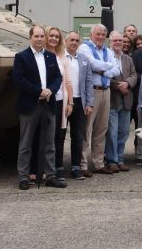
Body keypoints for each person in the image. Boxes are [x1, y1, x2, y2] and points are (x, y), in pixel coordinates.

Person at [13, 25, 64, 190]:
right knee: (26, 143)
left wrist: (51, 90)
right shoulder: (21, 57)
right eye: (37, 36)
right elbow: (19, 80)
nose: (40, 39)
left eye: (42, 36)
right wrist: (39, 92)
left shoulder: (50, 56)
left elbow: (58, 77)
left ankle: (50, 176)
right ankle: (23, 177)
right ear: (30, 37)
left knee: (50, 143)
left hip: (48, 104)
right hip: (30, 105)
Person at [77, 24, 120, 176]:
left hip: (105, 92)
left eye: (103, 34)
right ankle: (82, 165)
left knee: (101, 129)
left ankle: (98, 163)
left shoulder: (108, 51)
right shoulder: (84, 48)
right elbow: (91, 64)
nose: (101, 37)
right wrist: (108, 68)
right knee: (86, 129)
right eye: (98, 34)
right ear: (91, 34)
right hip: (92, 92)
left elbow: (117, 69)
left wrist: (103, 70)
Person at [64, 31, 94, 180]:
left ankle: (76, 167)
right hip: (63, 101)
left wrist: (89, 103)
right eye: (71, 40)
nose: (74, 43)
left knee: (78, 136)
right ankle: (57, 167)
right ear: (65, 42)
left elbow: (89, 82)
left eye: (77, 40)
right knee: (60, 136)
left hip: (79, 101)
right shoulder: (59, 58)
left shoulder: (83, 59)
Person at [106, 31, 137, 173]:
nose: (118, 43)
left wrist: (128, 83)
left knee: (124, 132)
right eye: (115, 40)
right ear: (110, 41)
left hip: (126, 101)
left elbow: (134, 74)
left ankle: (119, 159)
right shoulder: (106, 57)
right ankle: (111, 161)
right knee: (112, 133)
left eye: (120, 40)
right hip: (113, 100)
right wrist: (119, 86)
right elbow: (104, 75)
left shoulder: (127, 59)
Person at [45, 26, 72, 183]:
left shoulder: (63, 57)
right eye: (51, 36)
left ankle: (58, 167)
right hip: (46, 101)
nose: (54, 38)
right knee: (45, 136)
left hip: (61, 101)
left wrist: (70, 103)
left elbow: (68, 81)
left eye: (57, 36)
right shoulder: (42, 56)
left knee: (59, 136)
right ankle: (45, 169)